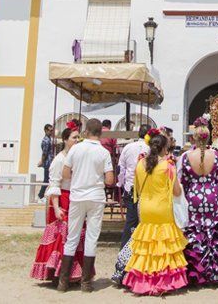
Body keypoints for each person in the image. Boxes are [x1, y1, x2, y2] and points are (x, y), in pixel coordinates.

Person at [123, 131, 189, 295]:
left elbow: (137, 188)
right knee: (163, 245)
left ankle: (144, 280)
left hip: (145, 208)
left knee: (147, 245)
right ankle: (163, 280)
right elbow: (176, 191)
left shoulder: (140, 164)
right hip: (162, 208)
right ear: (164, 148)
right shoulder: (168, 166)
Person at [59, 118, 114, 292]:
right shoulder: (104, 152)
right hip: (96, 197)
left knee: (72, 237)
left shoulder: (76, 148)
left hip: (77, 196)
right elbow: (110, 179)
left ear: (86, 131)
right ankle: (86, 282)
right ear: (100, 133)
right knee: (91, 237)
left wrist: (79, 175)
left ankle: (63, 281)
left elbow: (65, 174)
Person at [180, 120, 218, 286]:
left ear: (195, 138)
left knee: (195, 230)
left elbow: (184, 180)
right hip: (212, 196)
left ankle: (196, 269)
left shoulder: (187, 156)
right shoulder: (216, 156)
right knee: (213, 230)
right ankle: (214, 269)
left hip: (194, 196)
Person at [31, 123, 88, 283]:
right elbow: (54, 184)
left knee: (75, 235)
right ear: (65, 139)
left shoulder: (76, 157)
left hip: (74, 198)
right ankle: (58, 272)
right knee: (61, 236)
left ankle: (73, 273)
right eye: (74, 137)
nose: (77, 140)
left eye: (78, 137)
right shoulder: (59, 160)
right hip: (62, 199)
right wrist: (56, 208)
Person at [117, 123, 150, 248]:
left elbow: (121, 168)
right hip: (146, 189)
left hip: (130, 188)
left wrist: (120, 183)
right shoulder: (151, 148)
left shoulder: (128, 147)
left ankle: (126, 248)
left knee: (131, 221)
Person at [38, 124, 55, 200]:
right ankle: (40, 195)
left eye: (52, 130)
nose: (51, 132)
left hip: (50, 162)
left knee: (48, 179)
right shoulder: (46, 140)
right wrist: (42, 161)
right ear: (45, 130)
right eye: (50, 130)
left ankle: (42, 195)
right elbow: (44, 153)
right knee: (46, 179)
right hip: (48, 163)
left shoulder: (49, 139)